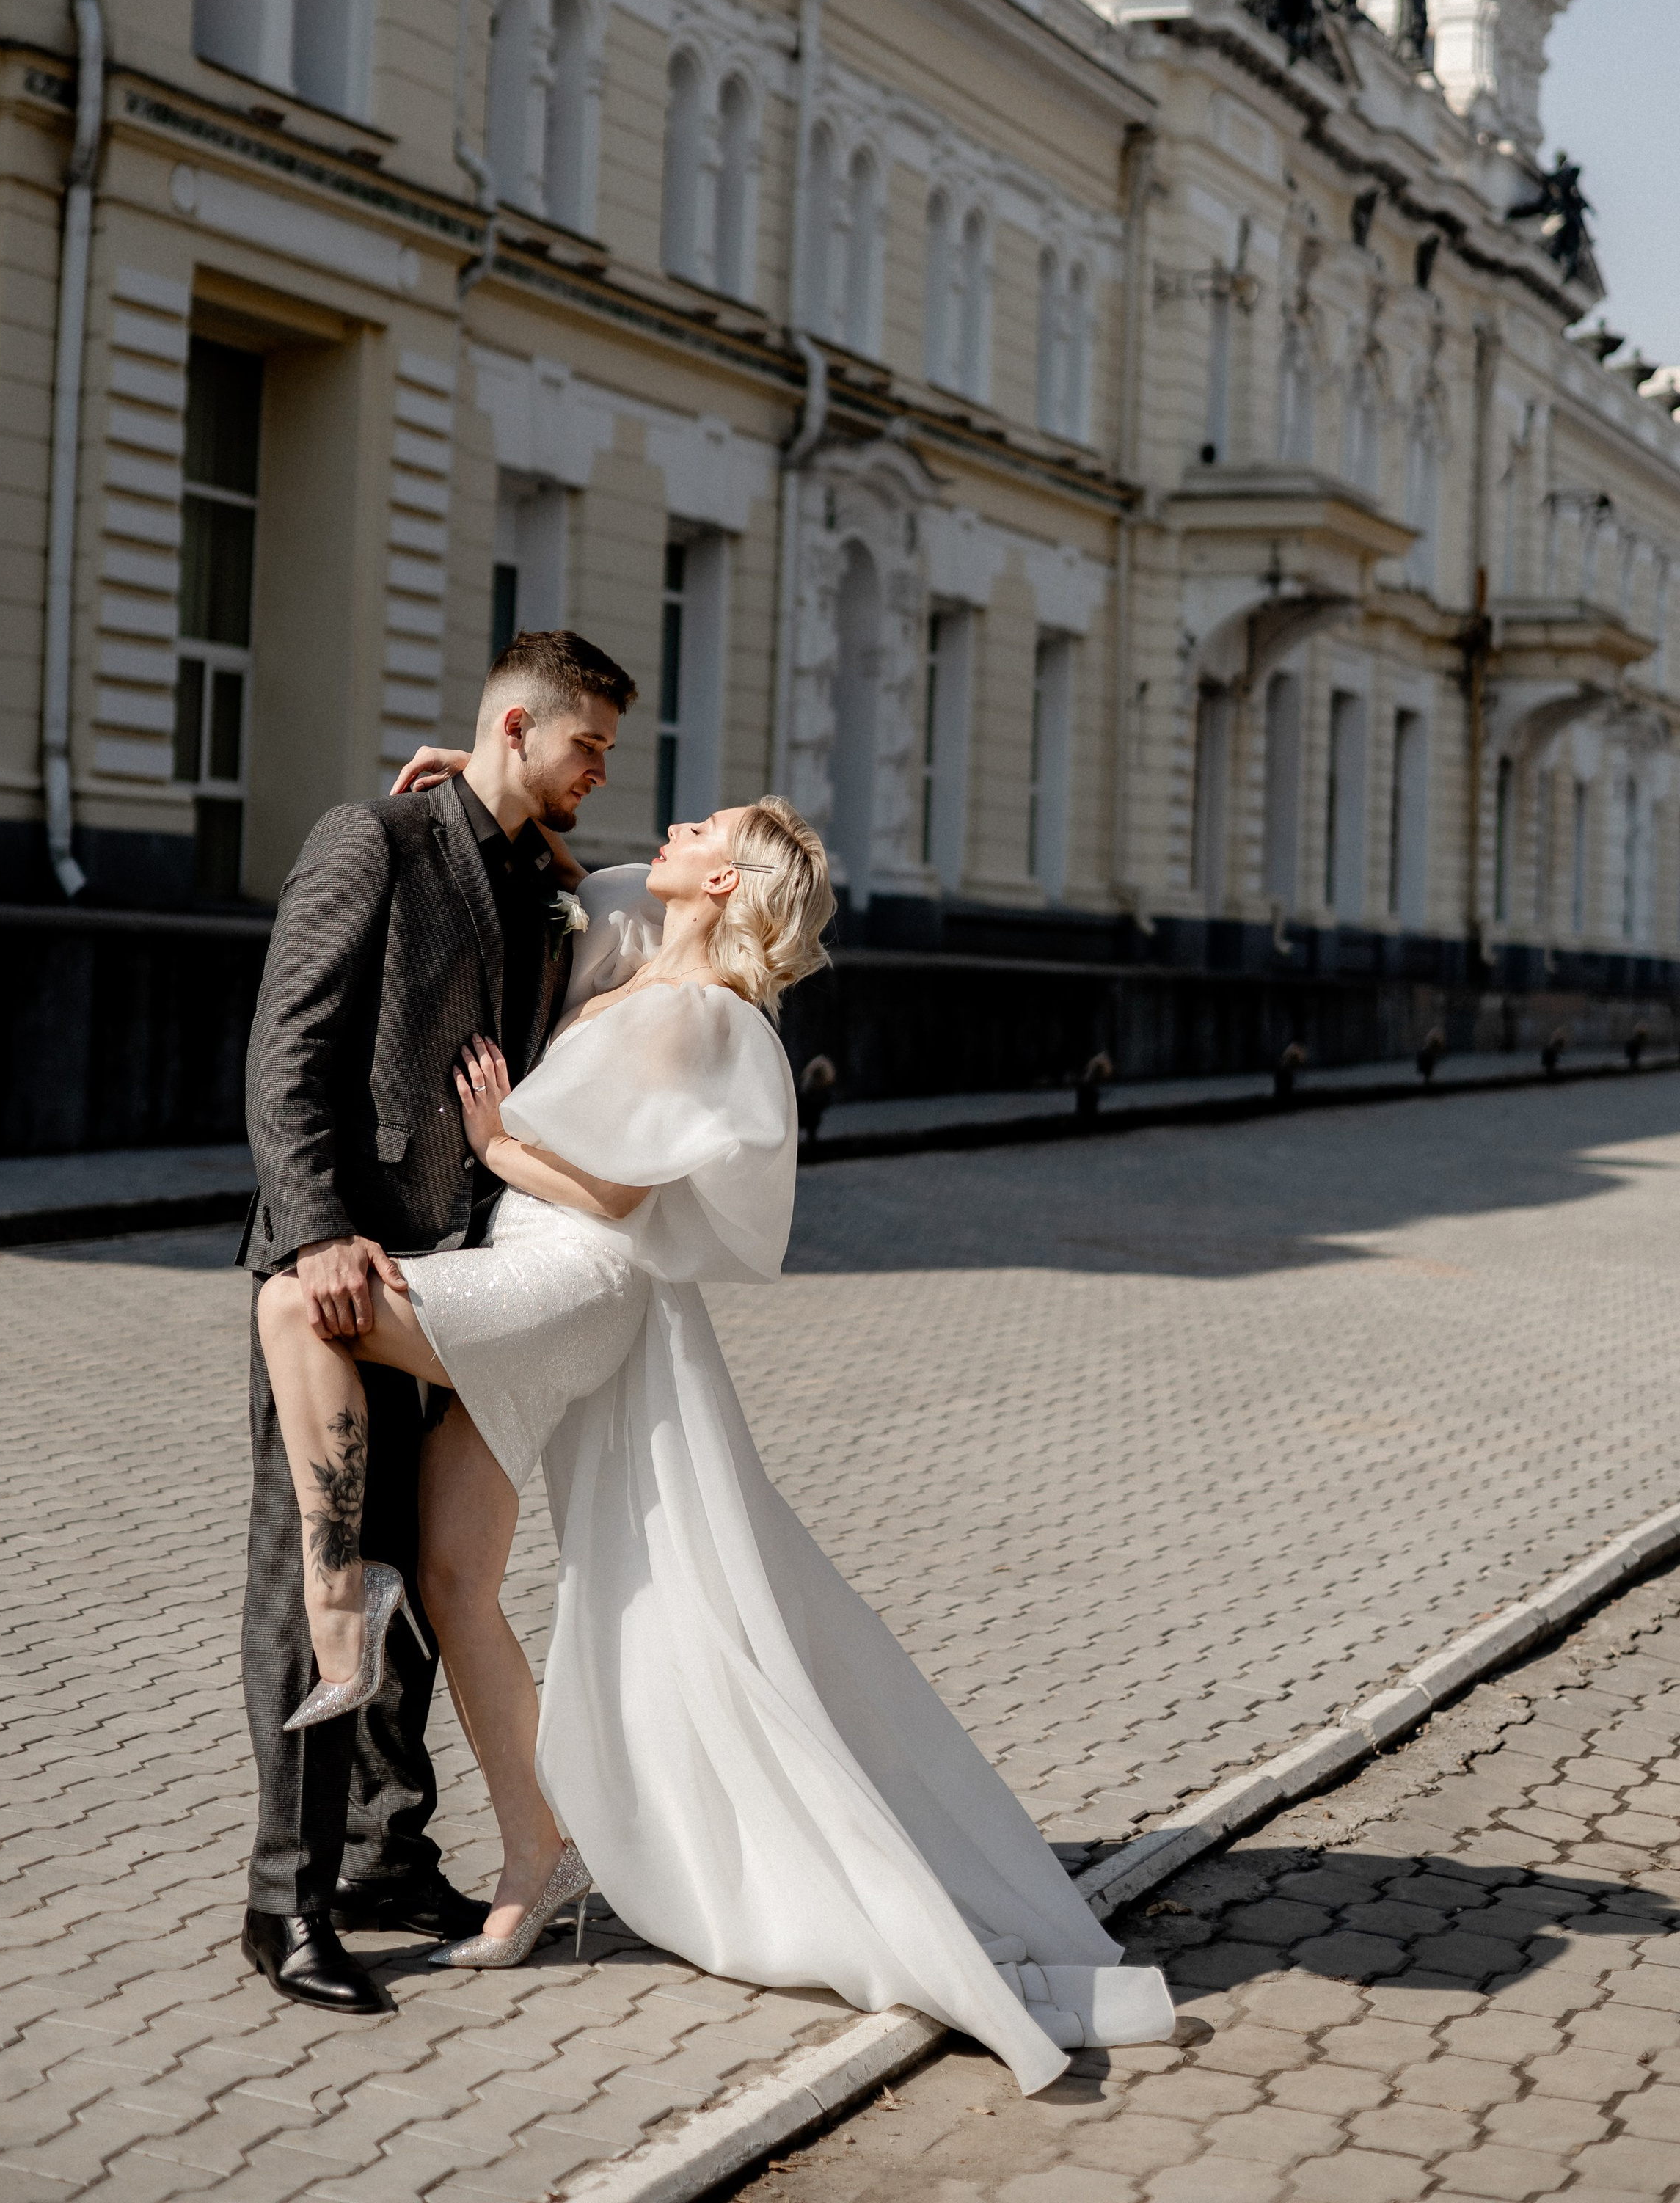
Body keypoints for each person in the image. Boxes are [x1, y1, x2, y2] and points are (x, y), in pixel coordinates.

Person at [253, 795, 1176, 2089]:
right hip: (527, 1265)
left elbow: (620, 1195)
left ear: (732, 885)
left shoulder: (702, 1016)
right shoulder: (634, 943)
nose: (677, 824)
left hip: (571, 1280)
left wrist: (494, 1143)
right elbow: (551, 845)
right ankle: (536, 1854)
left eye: (708, 828)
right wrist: (468, 758)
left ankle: (341, 1601)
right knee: (466, 1584)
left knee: (298, 1300)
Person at [236, 628, 635, 2014]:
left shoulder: (545, 886)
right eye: (588, 745)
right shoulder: (372, 841)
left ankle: (386, 1859)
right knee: (322, 1576)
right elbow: (288, 1052)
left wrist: (553, 855)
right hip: (346, 1284)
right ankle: (285, 1904)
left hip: (468, 1293)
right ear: (516, 727)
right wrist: (314, 1232)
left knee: (420, 1586)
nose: (602, 771)